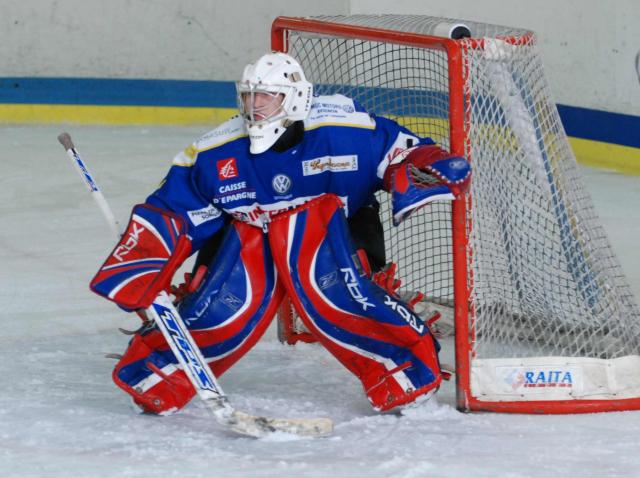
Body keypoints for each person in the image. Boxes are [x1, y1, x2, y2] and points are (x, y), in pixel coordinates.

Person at [90, 52, 470, 415]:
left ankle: (403, 371)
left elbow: (401, 150)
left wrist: (425, 161)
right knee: (220, 305)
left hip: (339, 226)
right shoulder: (213, 152)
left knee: (344, 290)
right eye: (249, 96)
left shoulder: (345, 131)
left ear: (295, 99)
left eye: (266, 97)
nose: (254, 106)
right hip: (249, 234)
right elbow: (171, 210)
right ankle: (158, 376)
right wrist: (142, 264)